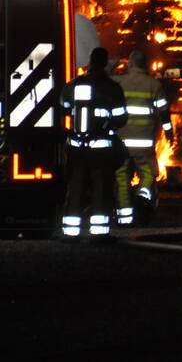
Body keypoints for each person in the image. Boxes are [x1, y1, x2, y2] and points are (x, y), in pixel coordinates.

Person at [59, 47, 127, 241]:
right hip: (101, 151)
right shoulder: (112, 88)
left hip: (77, 149)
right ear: (105, 63)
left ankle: (71, 232)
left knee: (76, 188)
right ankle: (99, 233)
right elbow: (121, 119)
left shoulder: (73, 85)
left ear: (90, 61)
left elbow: (63, 107)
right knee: (100, 190)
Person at [113, 50, 174, 226]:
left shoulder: (119, 82)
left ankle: (125, 218)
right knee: (148, 173)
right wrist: (169, 132)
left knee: (122, 178)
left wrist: (117, 61)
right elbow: (164, 112)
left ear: (130, 64)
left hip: (122, 142)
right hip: (144, 142)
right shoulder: (154, 85)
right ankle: (142, 196)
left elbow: (104, 75)